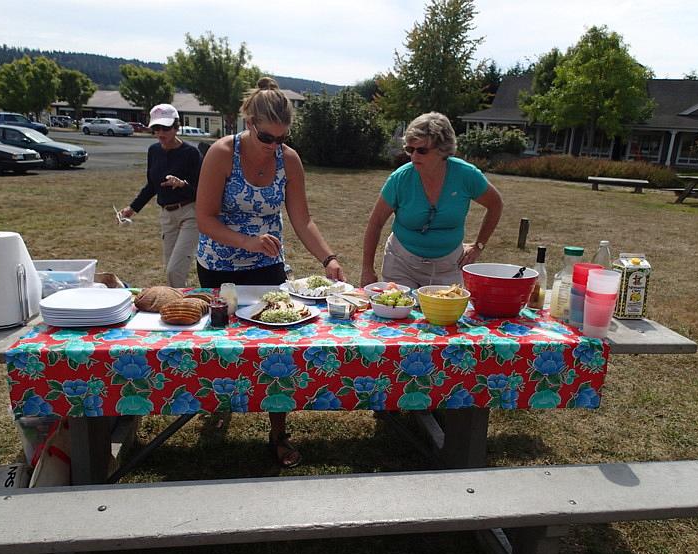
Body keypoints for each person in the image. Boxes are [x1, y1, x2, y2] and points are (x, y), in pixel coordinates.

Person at [196, 77, 345, 467]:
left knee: (276, 348)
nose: (274, 145)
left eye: (281, 138)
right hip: (219, 266)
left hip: (267, 265)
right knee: (223, 344)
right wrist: (245, 241)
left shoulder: (288, 160)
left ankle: (278, 432)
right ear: (248, 121)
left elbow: (302, 218)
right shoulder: (221, 154)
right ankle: (219, 400)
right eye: (266, 137)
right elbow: (204, 218)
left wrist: (328, 258)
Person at [361, 112, 503, 290]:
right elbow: (375, 223)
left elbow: (495, 204)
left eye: (421, 150)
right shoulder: (400, 179)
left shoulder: (466, 175)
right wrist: (367, 269)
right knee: (399, 312)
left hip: (448, 267)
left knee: (444, 316)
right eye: (409, 149)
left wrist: (478, 245)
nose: (413, 157)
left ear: (442, 150)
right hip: (401, 265)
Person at [119, 104, 201, 287]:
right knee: (170, 269)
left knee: (175, 269)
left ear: (176, 127)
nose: (161, 133)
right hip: (167, 215)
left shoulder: (191, 153)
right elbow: (152, 185)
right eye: (156, 128)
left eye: (166, 128)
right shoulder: (154, 151)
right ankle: (178, 305)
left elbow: (201, 190)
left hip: (190, 214)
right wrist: (132, 208)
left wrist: (182, 184)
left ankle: (179, 306)